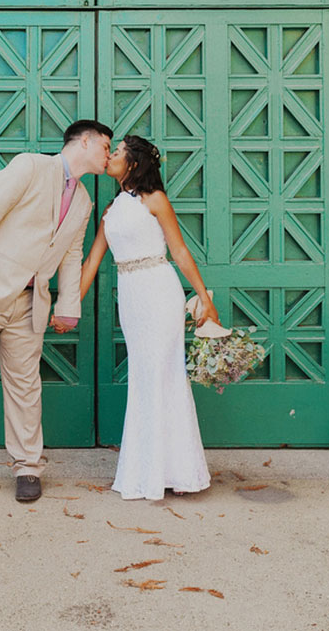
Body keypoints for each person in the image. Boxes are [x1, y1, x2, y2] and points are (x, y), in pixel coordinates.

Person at [0, 119, 112, 504]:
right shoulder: (29, 166)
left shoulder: (83, 201)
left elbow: (72, 255)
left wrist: (67, 306)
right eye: (105, 146)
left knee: (26, 388)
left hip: (31, 304)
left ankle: (28, 467)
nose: (108, 154)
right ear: (84, 141)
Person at [79, 134, 223, 501]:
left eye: (117, 153)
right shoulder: (111, 210)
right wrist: (69, 304)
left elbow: (179, 250)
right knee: (144, 378)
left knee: (164, 376)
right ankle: (147, 471)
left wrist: (204, 297)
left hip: (159, 292)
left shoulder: (155, 200)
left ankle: (176, 472)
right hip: (131, 298)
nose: (109, 157)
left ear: (134, 164)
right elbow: (93, 261)